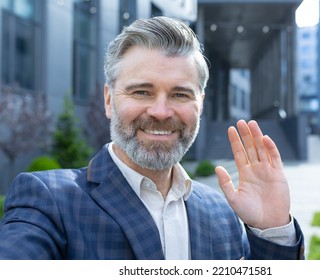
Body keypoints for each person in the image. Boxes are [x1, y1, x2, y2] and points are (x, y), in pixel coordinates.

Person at [0, 16, 304, 260]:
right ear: (109, 100)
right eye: (141, 91)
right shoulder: (48, 201)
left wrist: (273, 230)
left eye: (180, 94)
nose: (160, 111)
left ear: (200, 104)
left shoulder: (224, 212)